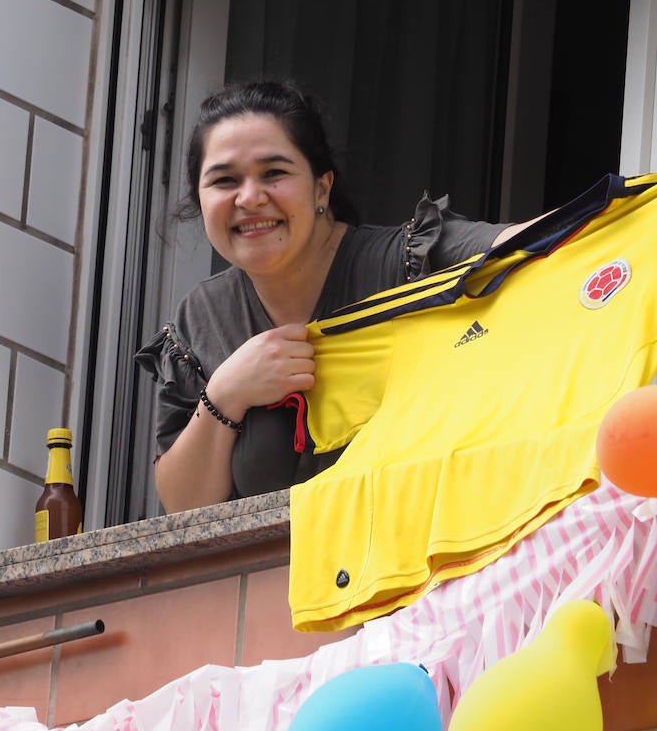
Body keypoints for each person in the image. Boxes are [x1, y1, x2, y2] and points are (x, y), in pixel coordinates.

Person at [135, 79, 526, 513]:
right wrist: (226, 394)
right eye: (224, 180)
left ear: (322, 188)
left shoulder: (410, 263)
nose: (249, 198)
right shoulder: (202, 317)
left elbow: (543, 244)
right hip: (281, 581)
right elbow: (184, 508)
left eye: (274, 173)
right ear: (201, 200)